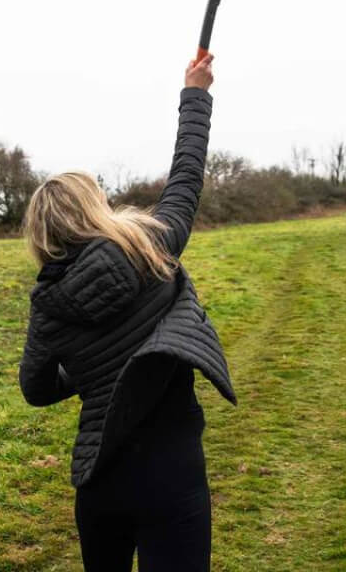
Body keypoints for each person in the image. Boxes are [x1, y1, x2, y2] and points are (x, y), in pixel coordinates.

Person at [18, 52, 236, 572]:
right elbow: (186, 178)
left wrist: (89, 372)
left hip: (101, 478)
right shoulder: (151, 246)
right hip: (172, 474)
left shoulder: (47, 305)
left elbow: (36, 389)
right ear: (96, 208)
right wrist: (196, 93)